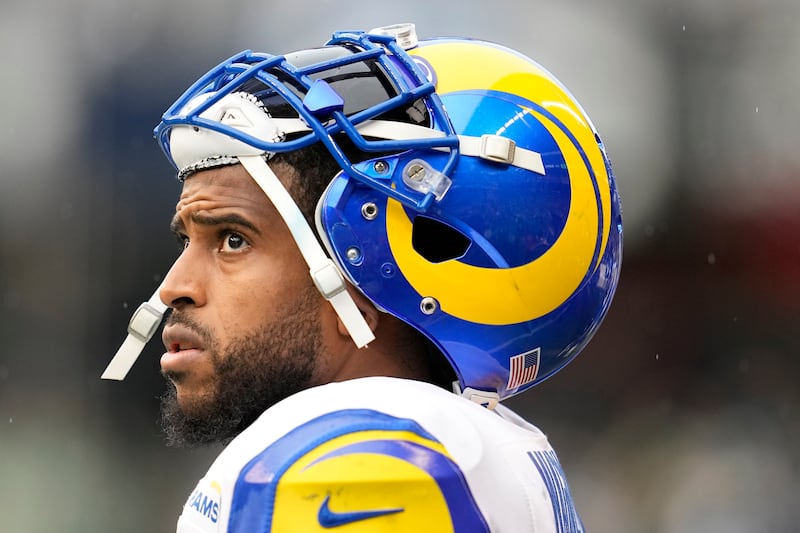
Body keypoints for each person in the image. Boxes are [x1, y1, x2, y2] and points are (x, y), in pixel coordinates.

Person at [102, 23, 622, 532]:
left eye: (233, 239)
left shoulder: (357, 462)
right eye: (186, 241)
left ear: (366, 273)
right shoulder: (466, 443)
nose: (173, 287)